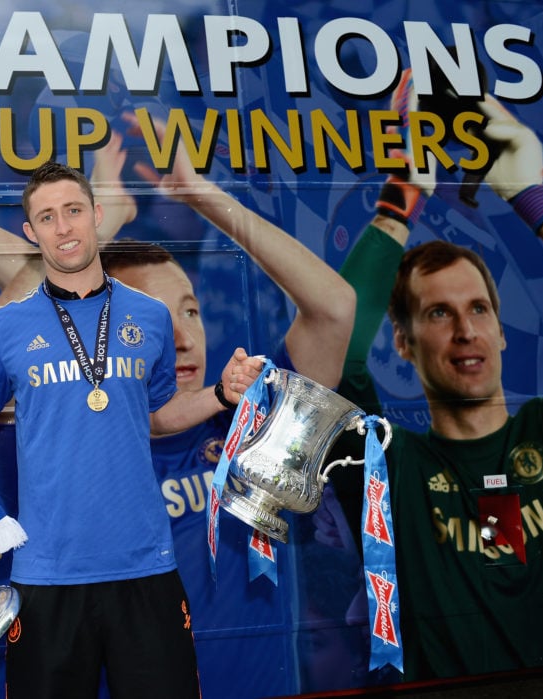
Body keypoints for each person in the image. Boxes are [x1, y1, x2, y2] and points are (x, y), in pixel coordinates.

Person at [0, 161, 263, 699]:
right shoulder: (9, 325)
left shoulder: (150, 315)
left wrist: (222, 393)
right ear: (31, 233)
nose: (63, 227)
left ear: (96, 216)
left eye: (72, 211)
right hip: (47, 577)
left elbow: (157, 413)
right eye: (47, 217)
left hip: (144, 568)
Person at [95, 116, 357, 696]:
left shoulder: (249, 420)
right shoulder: (78, 438)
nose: (184, 338)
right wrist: (94, 228)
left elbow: (335, 307)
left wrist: (200, 194)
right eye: (152, 322)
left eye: (188, 311)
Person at [332, 83, 543, 681]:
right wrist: (401, 200)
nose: (466, 329)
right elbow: (337, 351)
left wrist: (533, 198)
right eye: (439, 313)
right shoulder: (389, 467)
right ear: (404, 343)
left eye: (479, 310)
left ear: (502, 331)